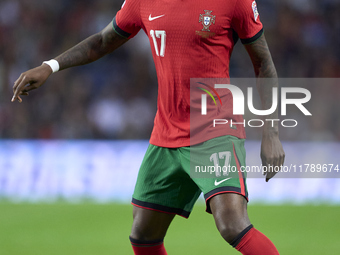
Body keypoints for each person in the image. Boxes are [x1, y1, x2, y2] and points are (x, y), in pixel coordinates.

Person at [12, 0, 285, 254]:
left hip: (214, 127)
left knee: (231, 225)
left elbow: (263, 64)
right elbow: (103, 41)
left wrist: (271, 133)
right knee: (143, 233)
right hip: (166, 132)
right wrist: (51, 66)